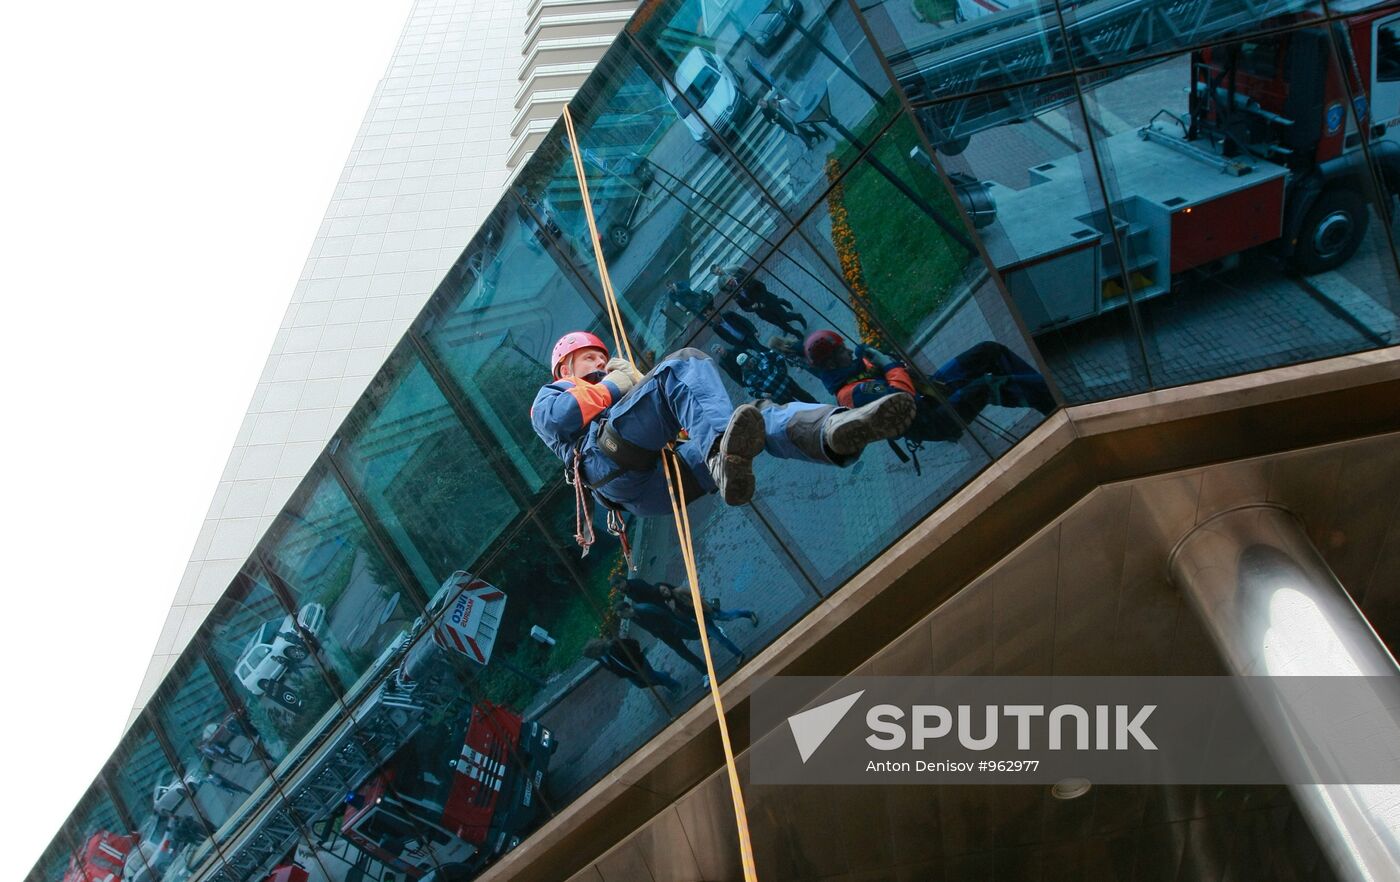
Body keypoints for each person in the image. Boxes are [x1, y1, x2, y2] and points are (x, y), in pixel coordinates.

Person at [531, 331, 917, 516]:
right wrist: (618, 381)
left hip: (658, 488)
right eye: (589, 360)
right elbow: (563, 417)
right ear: (565, 368)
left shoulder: (613, 392)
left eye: (602, 359)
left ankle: (831, 430)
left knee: (755, 418)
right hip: (607, 457)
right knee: (682, 364)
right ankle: (720, 452)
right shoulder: (549, 398)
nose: (600, 364)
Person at [804, 330, 1056, 441]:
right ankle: (1052, 401)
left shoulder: (854, 370)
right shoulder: (853, 394)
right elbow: (902, 400)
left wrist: (882, 359)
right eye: (841, 351)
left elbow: (896, 373)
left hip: (928, 397)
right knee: (987, 386)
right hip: (932, 421)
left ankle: (1042, 391)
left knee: (989, 351)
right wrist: (890, 366)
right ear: (831, 365)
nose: (848, 350)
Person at [617, 600, 747, 665]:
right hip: (669, 633)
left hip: (678, 626)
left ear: (627, 609)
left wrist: (673, 627)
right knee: (687, 648)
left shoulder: (644, 609)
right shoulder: (633, 618)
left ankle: (717, 632)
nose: (623, 618)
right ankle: (706, 668)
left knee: (700, 633)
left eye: (622, 615)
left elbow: (664, 615)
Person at [711, 265, 808, 338]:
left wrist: (762, 301)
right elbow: (744, 308)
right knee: (781, 324)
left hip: (769, 302)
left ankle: (799, 317)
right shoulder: (734, 293)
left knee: (785, 317)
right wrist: (752, 308)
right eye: (728, 283)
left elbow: (762, 286)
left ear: (732, 278)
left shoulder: (743, 279)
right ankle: (797, 334)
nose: (730, 283)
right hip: (761, 312)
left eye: (730, 280)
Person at [583, 636, 681, 692]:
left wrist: (636, 658)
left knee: (653, 677)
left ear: (596, 649)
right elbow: (610, 667)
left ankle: (673, 685)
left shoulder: (614, 645)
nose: (593, 657)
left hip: (639, 665)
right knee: (641, 684)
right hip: (629, 673)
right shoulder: (601, 658)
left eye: (592, 655)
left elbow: (634, 643)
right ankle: (665, 677)